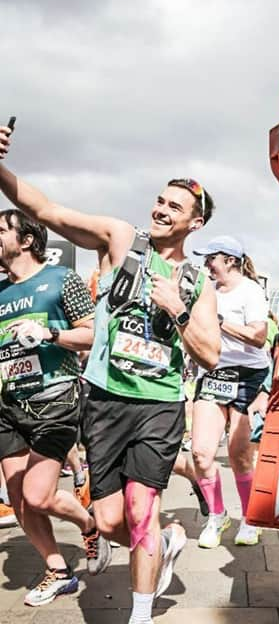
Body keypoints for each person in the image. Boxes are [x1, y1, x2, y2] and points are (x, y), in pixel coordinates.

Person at [0, 126, 220, 624]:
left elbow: (210, 354)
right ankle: (163, 541)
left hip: (158, 405)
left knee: (142, 509)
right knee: (110, 519)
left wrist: (178, 310)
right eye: (160, 201)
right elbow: (47, 211)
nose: (161, 210)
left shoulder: (197, 281)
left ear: (196, 222)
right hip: (102, 400)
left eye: (174, 207)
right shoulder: (122, 238)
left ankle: (139, 613)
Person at [0, 208, 109, 606]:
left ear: (26, 240)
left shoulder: (62, 279)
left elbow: (95, 334)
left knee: (39, 495)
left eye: (0, 230)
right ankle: (58, 571)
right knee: (17, 497)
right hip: (8, 403)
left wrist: (49, 333)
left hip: (55, 400)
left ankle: (89, 523)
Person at [173, 235, 269, 548]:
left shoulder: (251, 291)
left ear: (229, 260)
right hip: (212, 373)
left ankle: (251, 519)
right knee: (200, 454)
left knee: (240, 455)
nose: (206, 265)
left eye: (211, 258)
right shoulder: (206, 291)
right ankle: (217, 514)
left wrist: (219, 320)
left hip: (248, 376)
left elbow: (258, 338)